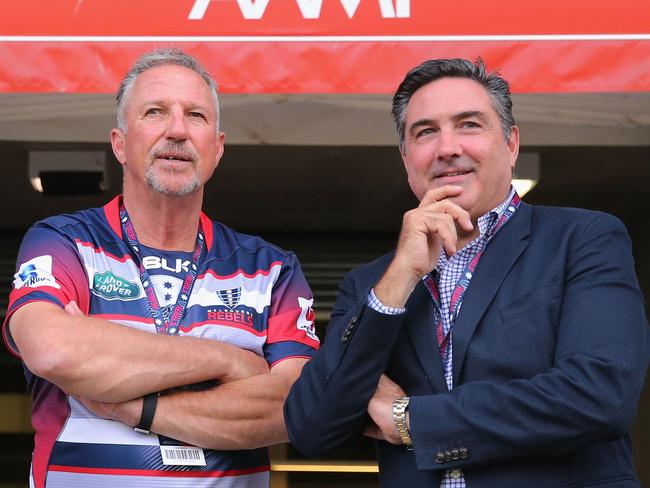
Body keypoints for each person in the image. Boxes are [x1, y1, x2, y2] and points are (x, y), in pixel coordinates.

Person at [284, 58, 650, 487]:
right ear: (406, 158)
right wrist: (400, 277)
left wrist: (411, 419)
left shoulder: (583, 239)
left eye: (470, 125)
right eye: (425, 132)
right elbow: (311, 427)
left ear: (511, 144)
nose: (447, 148)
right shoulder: (372, 285)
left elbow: (598, 394)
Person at [3, 48, 319, 488]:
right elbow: (53, 350)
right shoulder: (64, 241)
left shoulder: (271, 269)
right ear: (120, 144)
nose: (177, 130)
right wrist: (230, 361)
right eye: (155, 112)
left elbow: (294, 405)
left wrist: (133, 406)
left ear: (218, 148)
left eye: (196, 116)